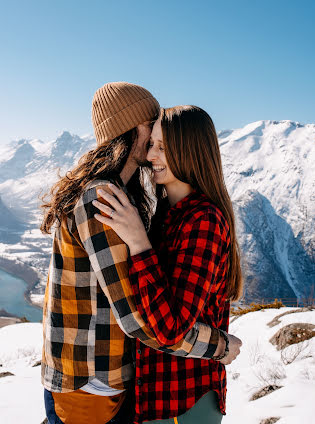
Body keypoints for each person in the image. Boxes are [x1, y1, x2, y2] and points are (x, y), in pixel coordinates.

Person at [40, 84, 241, 424]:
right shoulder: (102, 200)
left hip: (110, 383)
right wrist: (219, 346)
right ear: (133, 129)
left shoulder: (127, 199)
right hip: (91, 383)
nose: (151, 150)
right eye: (152, 128)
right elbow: (140, 321)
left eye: (164, 144)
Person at [93, 105, 243, 423]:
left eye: (162, 147)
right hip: (156, 397)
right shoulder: (167, 212)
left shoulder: (204, 219)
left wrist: (138, 243)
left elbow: (171, 328)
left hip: (185, 402)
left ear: (188, 149)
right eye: (151, 145)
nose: (151, 156)